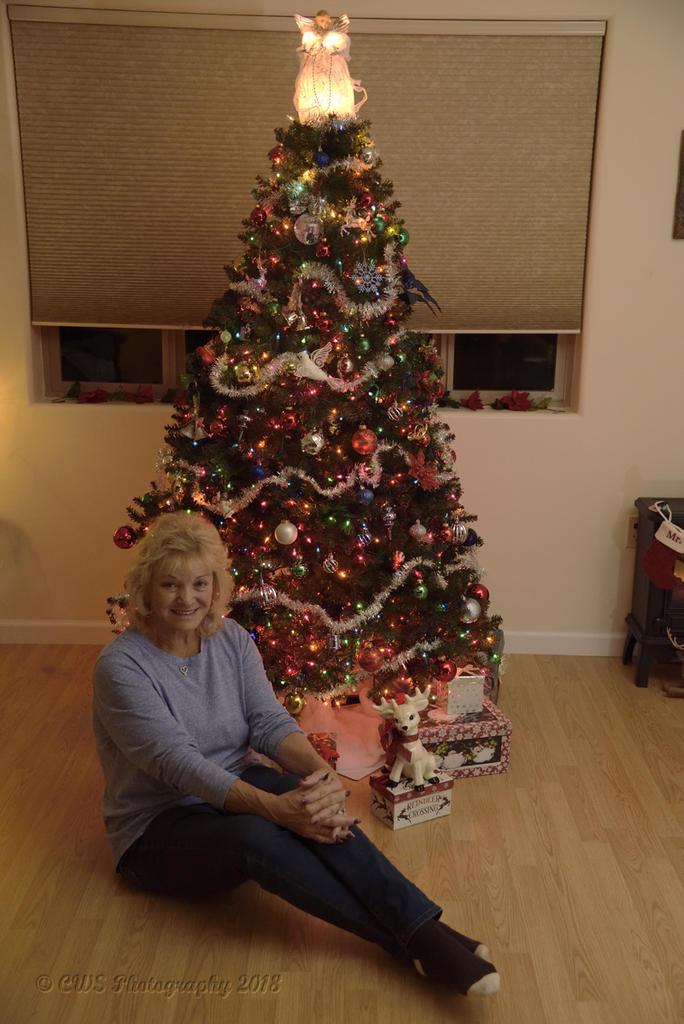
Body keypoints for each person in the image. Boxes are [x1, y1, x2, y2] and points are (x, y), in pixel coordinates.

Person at [92, 512, 500, 997]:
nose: (187, 599)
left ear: (216, 585)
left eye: (200, 583)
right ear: (145, 588)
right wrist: (274, 810)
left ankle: (422, 929)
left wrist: (323, 777)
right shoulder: (121, 667)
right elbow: (178, 764)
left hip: (234, 779)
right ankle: (417, 941)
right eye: (170, 585)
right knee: (256, 834)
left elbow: (268, 722)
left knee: (306, 799)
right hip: (158, 826)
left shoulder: (230, 639)